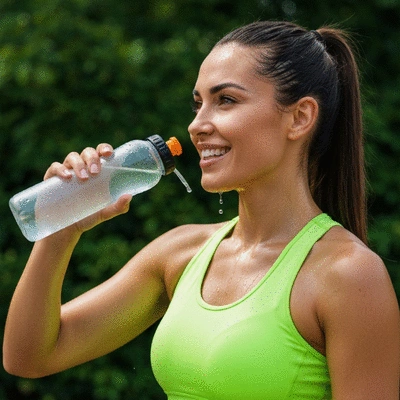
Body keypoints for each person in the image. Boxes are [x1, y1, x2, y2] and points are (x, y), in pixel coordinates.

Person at [3, 20, 399, 399]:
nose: (197, 125)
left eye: (225, 100)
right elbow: (30, 357)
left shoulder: (347, 276)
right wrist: (61, 228)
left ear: (299, 117)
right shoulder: (180, 253)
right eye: (198, 104)